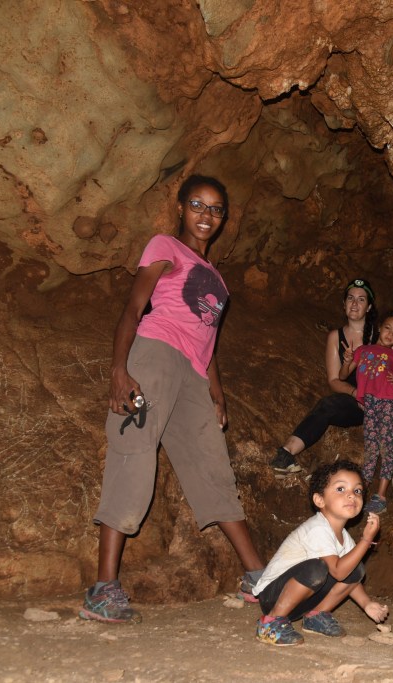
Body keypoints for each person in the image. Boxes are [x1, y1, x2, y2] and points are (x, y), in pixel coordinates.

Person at [80, 175, 266, 624]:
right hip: (155, 356)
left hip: (194, 376)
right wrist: (119, 369)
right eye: (198, 205)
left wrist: (216, 392)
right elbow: (133, 309)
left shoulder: (218, 280)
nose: (207, 215)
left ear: (223, 219)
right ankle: (103, 589)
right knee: (135, 453)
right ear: (181, 207)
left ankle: (257, 577)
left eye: (216, 209)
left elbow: (207, 338)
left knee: (213, 466)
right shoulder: (164, 246)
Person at [271, 279, 393, 494]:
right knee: (328, 404)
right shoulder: (336, 337)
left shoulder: (387, 334)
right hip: (357, 402)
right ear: (344, 304)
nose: (355, 304)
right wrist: (355, 392)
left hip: (387, 402)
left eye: (361, 299)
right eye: (350, 298)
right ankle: (286, 453)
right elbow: (334, 380)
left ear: (369, 307)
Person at [254, 461, 389, 646]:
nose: (351, 495)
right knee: (317, 569)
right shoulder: (317, 528)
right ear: (319, 500)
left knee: (356, 568)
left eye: (357, 490)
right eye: (341, 489)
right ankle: (270, 623)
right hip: (273, 596)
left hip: (302, 602)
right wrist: (366, 541)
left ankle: (315, 616)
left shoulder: (344, 537)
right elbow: (338, 572)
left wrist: (367, 604)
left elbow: (349, 575)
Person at [339, 310, 393, 513]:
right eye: (388, 328)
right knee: (371, 447)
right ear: (380, 327)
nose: (390, 334)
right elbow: (343, 375)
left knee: (385, 445)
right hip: (370, 404)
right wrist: (347, 361)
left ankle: (381, 496)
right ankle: (362, 491)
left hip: (389, 402)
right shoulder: (362, 350)